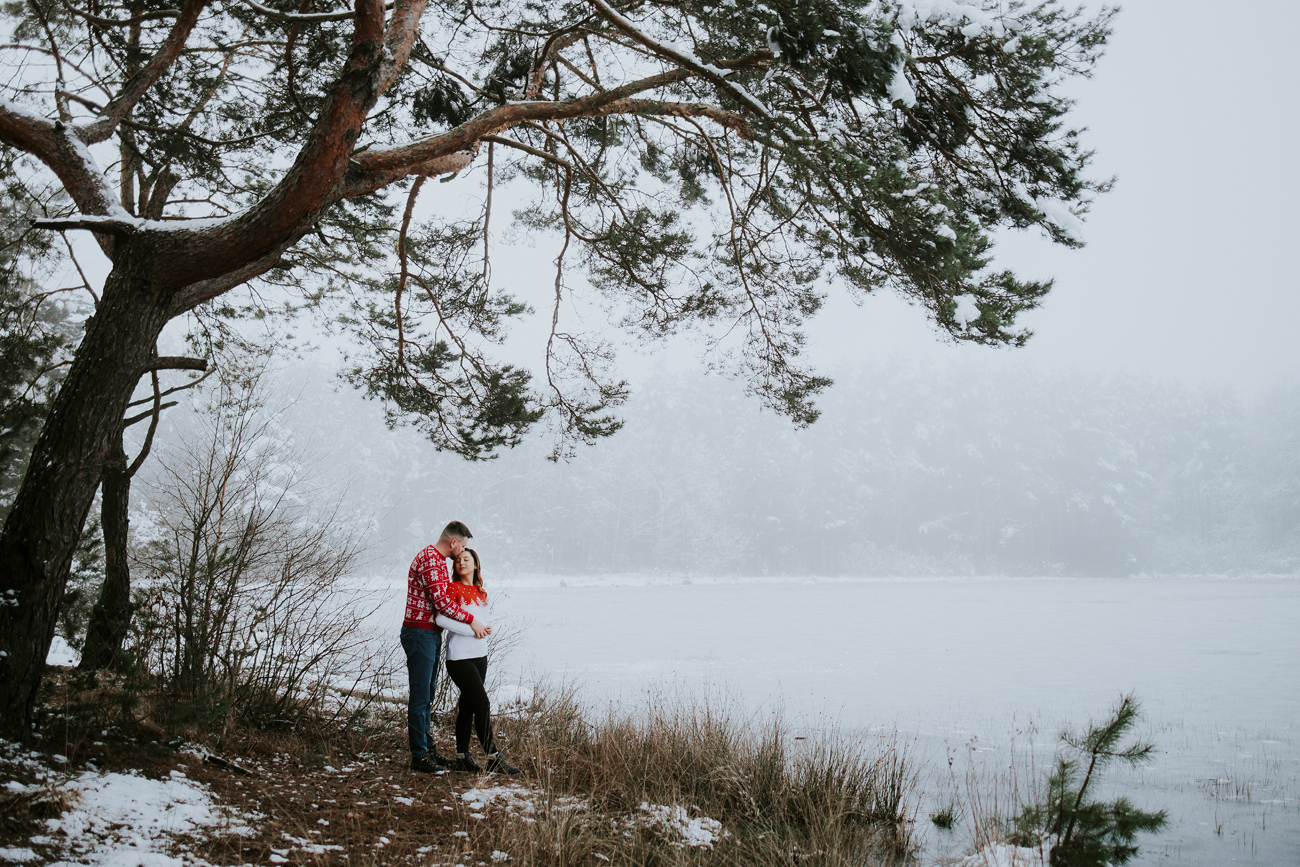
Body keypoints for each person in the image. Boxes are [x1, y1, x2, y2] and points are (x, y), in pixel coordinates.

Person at [401, 520, 490, 774]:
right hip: (419, 633)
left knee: (427, 695)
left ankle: (427, 750)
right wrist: (472, 620)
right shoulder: (431, 559)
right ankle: (419, 756)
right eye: (461, 546)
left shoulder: (438, 561)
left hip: (428, 633)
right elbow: (442, 604)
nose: (461, 552)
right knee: (420, 697)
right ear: (453, 542)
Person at [436, 547, 520, 775]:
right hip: (459, 657)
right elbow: (441, 618)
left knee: (468, 706)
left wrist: (484, 628)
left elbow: (481, 623)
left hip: (480, 656)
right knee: (482, 703)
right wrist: (472, 629)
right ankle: (493, 756)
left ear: (475, 564)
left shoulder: (481, 592)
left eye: (466, 559)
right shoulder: (452, 588)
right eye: (458, 560)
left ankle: (462, 757)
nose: (461, 563)